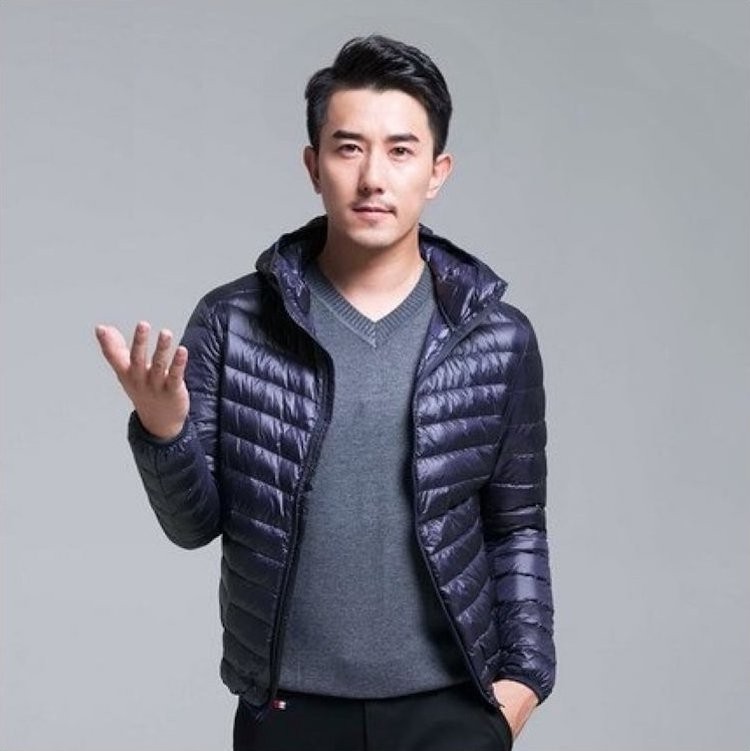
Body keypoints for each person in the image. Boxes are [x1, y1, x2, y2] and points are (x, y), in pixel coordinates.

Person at [96, 34, 555, 751]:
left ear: (436, 172)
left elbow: (516, 524)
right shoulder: (233, 322)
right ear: (314, 166)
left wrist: (522, 683)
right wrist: (164, 430)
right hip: (289, 714)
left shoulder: (498, 338)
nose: (373, 177)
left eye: (400, 151)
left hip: (452, 710)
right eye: (349, 149)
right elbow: (193, 526)